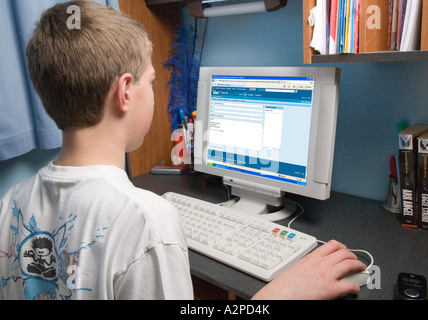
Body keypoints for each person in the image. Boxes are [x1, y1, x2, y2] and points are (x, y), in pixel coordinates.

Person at [0, 0, 366, 300]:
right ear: (125, 92)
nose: (156, 90)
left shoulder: (10, 203)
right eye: (152, 81)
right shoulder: (146, 222)